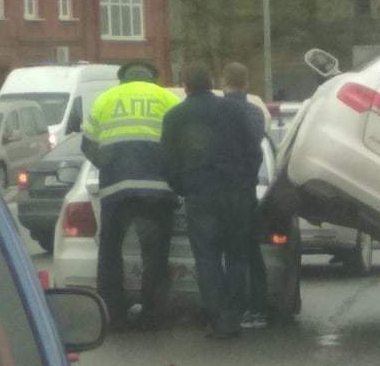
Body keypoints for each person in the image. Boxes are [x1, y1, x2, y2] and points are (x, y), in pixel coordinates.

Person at [161, 62, 263, 339]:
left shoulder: (175, 117)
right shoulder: (234, 111)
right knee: (237, 256)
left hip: (200, 195)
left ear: (185, 86)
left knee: (207, 258)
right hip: (236, 194)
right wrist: (246, 183)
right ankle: (234, 316)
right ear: (211, 82)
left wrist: (184, 187)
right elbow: (254, 151)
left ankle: (216, 318)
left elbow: (168, 162)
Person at [81, 61, 181, 330]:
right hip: (157, 190)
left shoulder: (105, 99)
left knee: (111, 252)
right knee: (156, 254)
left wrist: (110, 166)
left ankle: (113, 314)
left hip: (117, 189)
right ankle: (153, 313)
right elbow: (182, 143)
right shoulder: (167, 98)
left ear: (122, 79)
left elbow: (87, 144)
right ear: (153, 78)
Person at [222, 61, 268, 329]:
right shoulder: (255, 112)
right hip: (246, 190)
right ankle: (257, 308)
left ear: (224, 81)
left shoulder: (217, 112)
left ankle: (231, 308)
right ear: (247, 83)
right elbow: (255, 147)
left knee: (230, 253)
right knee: (250, 252)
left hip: (220, 189)